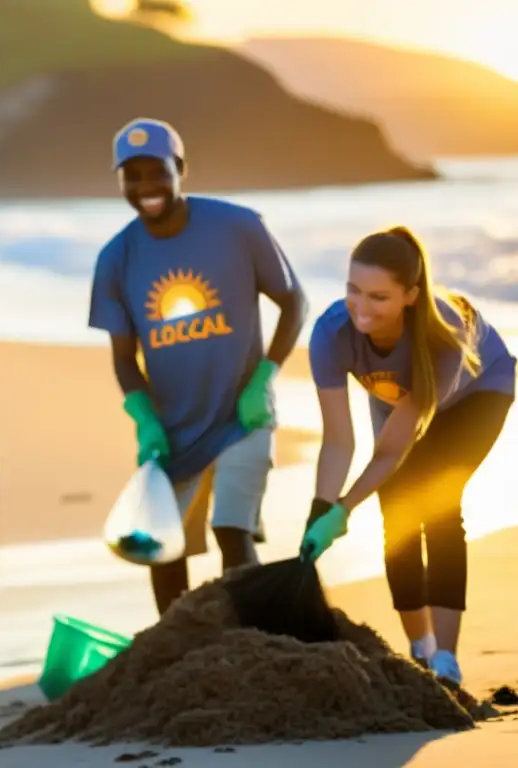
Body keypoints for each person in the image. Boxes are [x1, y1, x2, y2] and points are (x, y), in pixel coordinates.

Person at [88, 118, 308, 616]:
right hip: (173, 430)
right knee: (162, 545)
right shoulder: (116, 259)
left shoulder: (239, 227)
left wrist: (265, 377)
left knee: (232, 528)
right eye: (132, 176)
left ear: (180, 169)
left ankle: (253, 641)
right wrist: (144, 417)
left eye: (157, 172)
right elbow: (124, 359)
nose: (146, 187)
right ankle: (175, 647)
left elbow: (294, 302)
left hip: (241, 419)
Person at [302, 226, 516, 688]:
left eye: (379, 297)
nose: (361, 307)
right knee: (396, 511)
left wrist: (345, 508)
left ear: (411, 296)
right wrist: (321, 510)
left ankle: (447, 662)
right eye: (353, 290)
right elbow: (339, 439)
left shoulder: (444, 334)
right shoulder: (330, 333)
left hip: (478, 394)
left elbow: (396, 448)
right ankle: (421, 650)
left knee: (436, 504)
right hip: (397, 399)